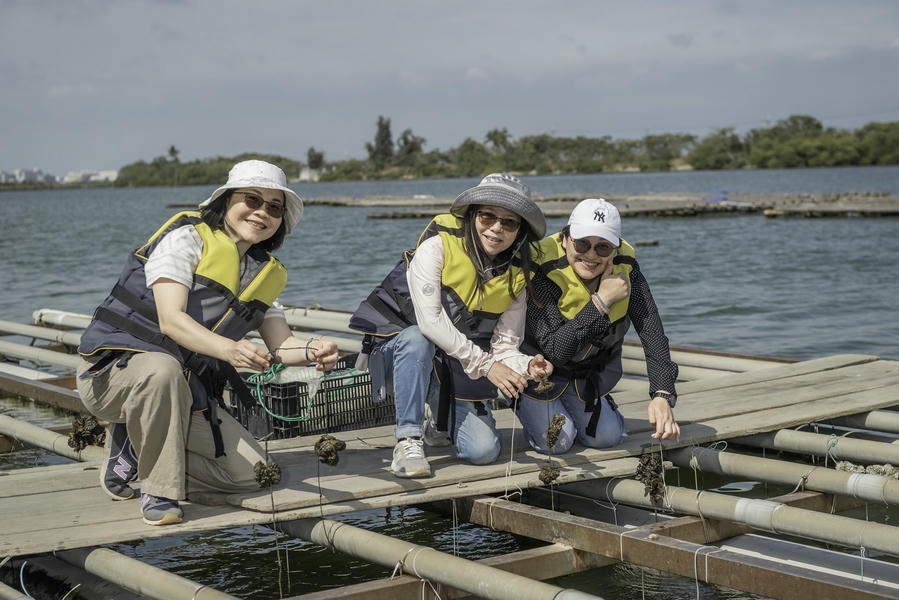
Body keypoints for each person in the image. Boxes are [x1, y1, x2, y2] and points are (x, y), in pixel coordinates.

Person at [76, 160, 339, 526]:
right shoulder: (186, 239)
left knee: (255, 475)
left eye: (274, 207)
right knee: (162, 367)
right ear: (227, 200)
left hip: (181, 392)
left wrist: (312, 351)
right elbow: (171, 320)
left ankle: (134, 441)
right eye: (252, 199)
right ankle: (160, 492)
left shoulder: (264, 275)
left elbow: (282, 346)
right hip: (112, 378)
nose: (262, 212)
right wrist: (229, 349)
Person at [349, 173, 552, 478]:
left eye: (509, 222)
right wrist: (486, 366)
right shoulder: (437, 247)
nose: (496, 227)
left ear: (519, 232)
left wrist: (527, 366)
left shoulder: (517, 278)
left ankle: (438, 425)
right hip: (397, 359)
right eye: (487, 216)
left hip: (453, 365)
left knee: (483, 452)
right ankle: (408, 440)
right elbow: (430, 323)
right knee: (418, 337)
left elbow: (505, 346)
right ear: (472, 216)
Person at [516, 198, 680, 455]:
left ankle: (588, 403)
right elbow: (556, 350)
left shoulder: (629, 272)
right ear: (565, 239)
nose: (591, 255)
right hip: (536, 372)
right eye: (582, 243)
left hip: (583, 374)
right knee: (559, 441)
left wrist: (662, 395)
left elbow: (653, 334)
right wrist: (601, 302)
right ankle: (526, 403)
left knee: (606, 438)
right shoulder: (542, 273)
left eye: (603, 247)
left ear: (615, 249)